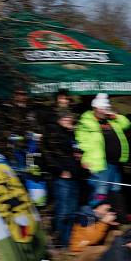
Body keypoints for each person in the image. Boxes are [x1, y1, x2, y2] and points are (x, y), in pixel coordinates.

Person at [75, 93, 131, 207]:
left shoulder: (111, 121)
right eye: (102, 108)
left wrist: (116, 116)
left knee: (115, 190)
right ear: (95, 108)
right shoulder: (87, 121)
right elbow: (80, 140)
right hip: (100, 163)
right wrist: (87, 156)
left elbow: (127, 124)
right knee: (100, 193)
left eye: (106, 108)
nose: (104, 111)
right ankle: (88, 214)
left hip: (115, 163)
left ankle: (108, 217)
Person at [44, 105, 81, 247]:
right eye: (65, 117)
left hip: (74, 177)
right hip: (62, 179)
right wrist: (59, 171)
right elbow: (48, 156)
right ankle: (58, 242)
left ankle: (67, 243)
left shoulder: (70, 133)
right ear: (59, 119)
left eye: (69, 117)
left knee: (72, 212)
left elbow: (73, 152)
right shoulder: (53, 133)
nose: (68, 119)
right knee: (63, 212)